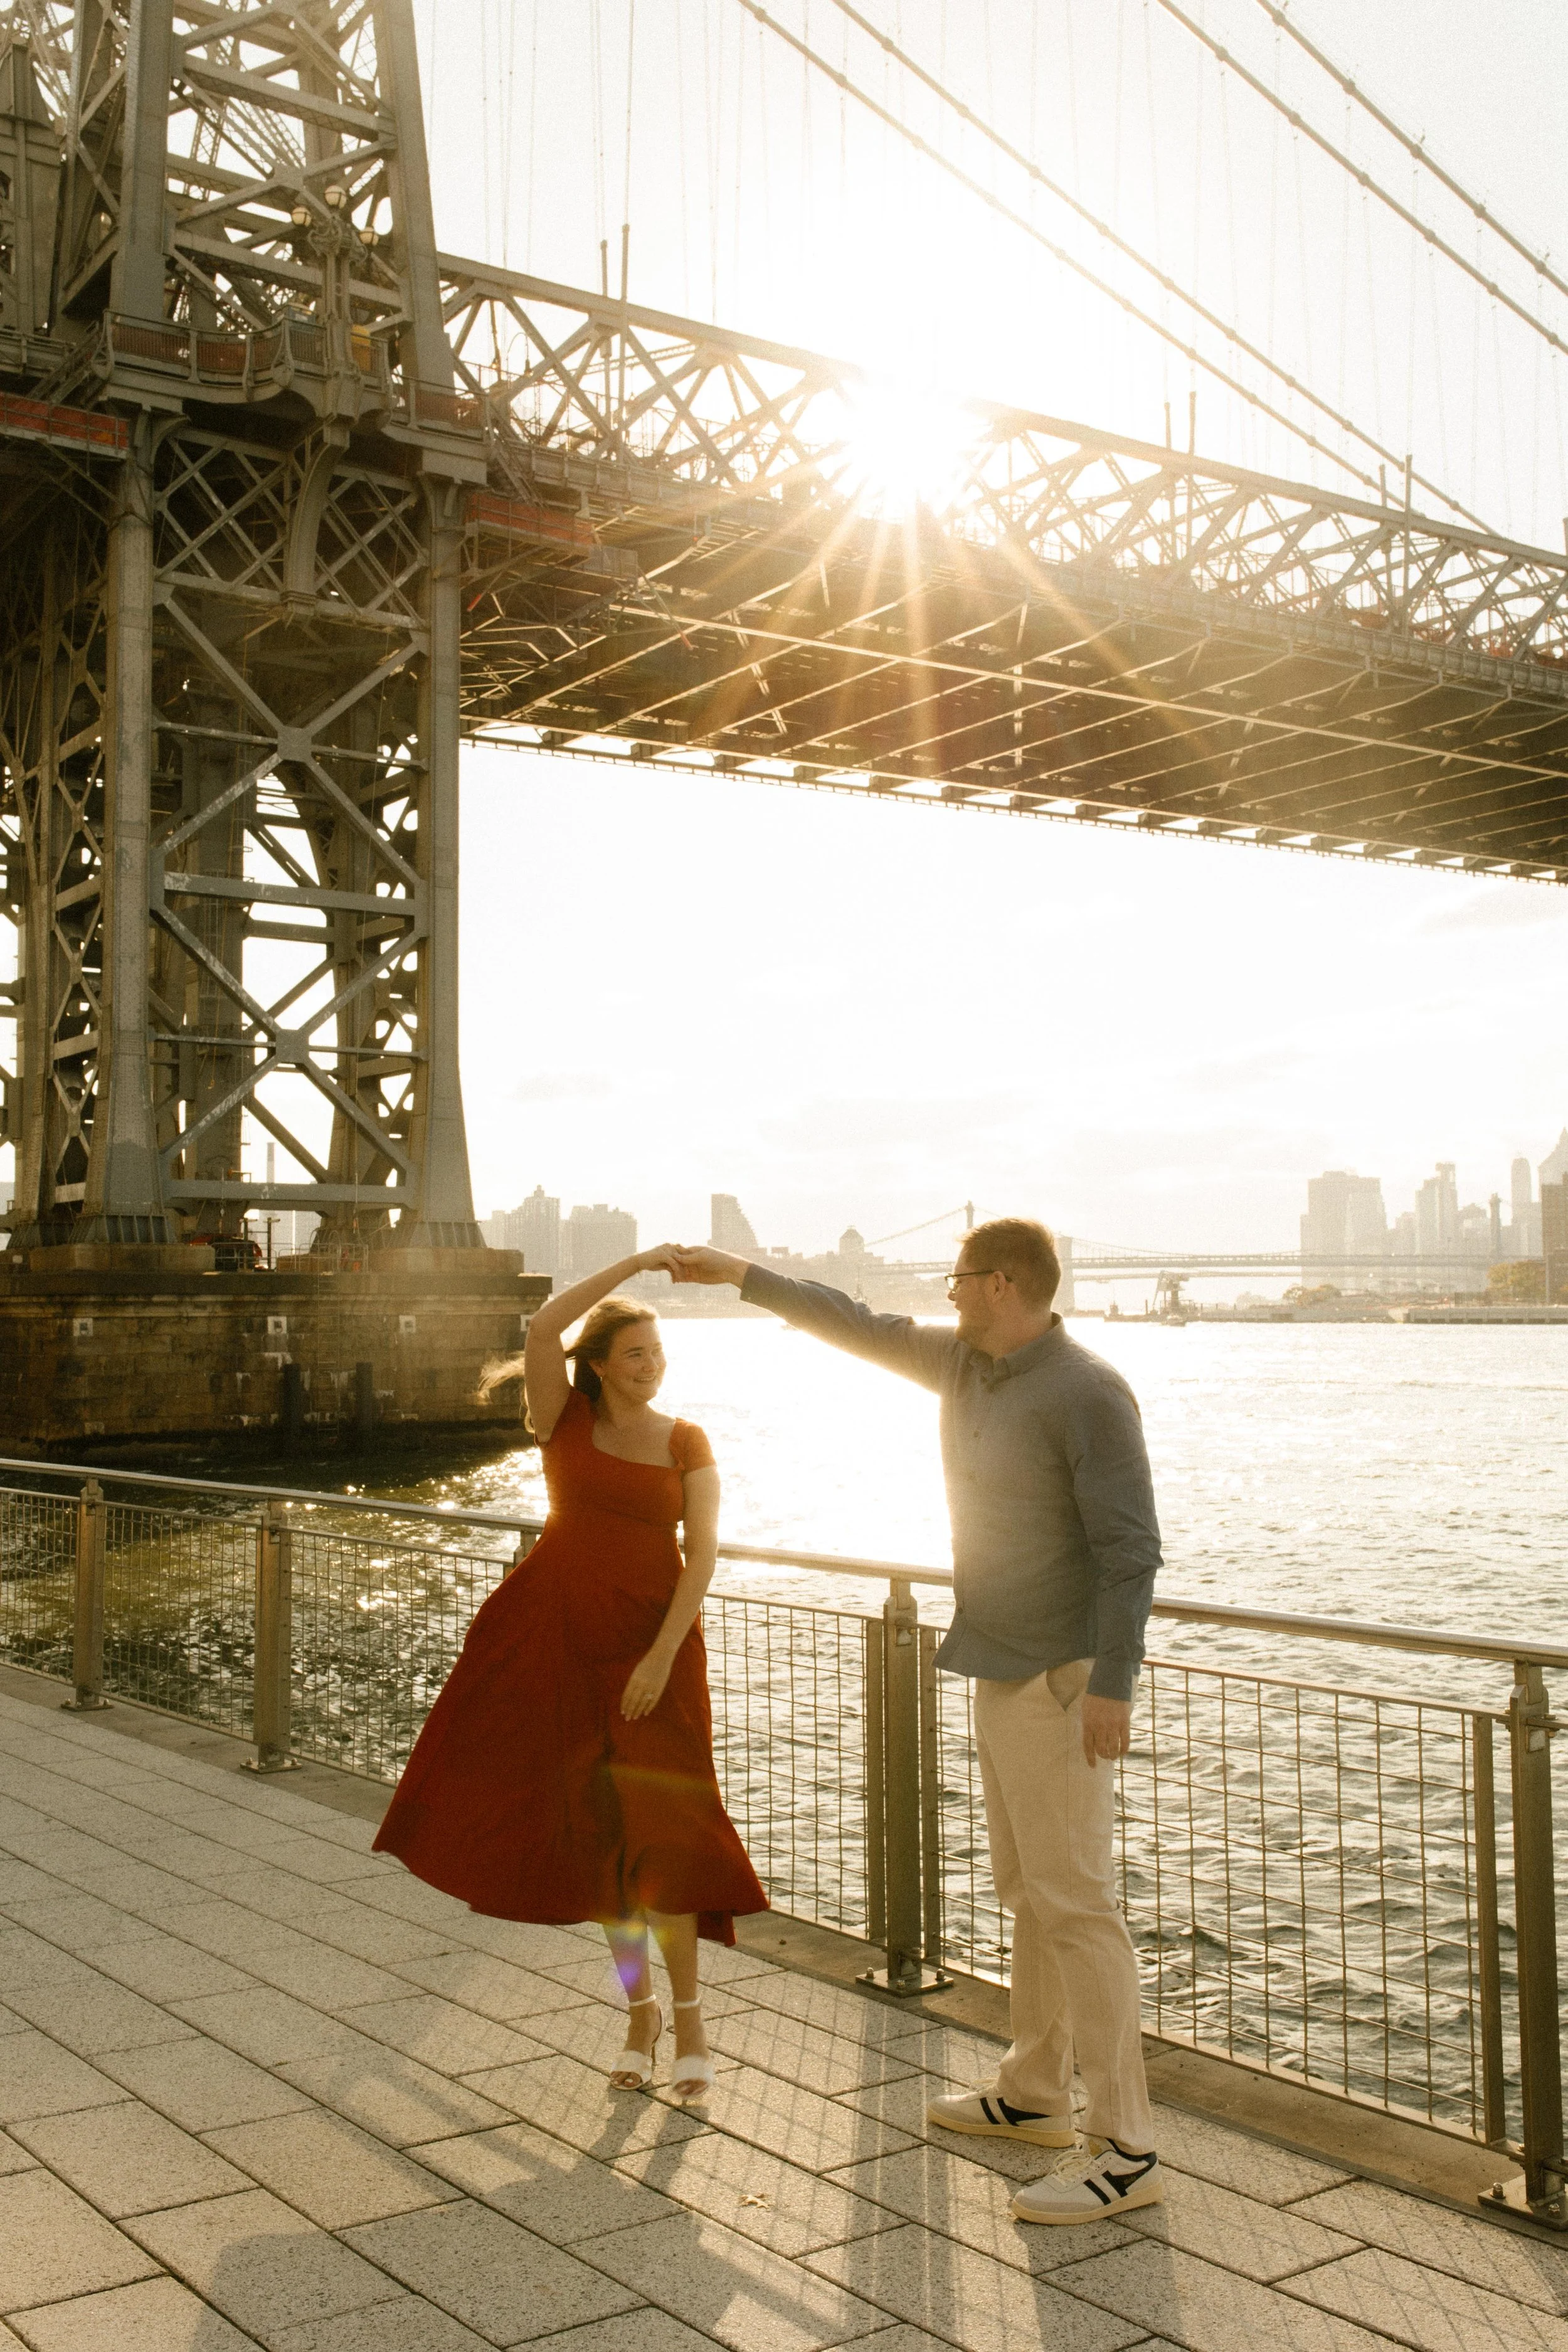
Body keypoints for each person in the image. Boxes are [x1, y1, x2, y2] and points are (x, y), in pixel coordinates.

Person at [672, 1219, 1163, 2220]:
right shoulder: (964, 1366)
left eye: (959, 1280)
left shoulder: (1089, 1391)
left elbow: (1132, 1549)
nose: (946, 1293)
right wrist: (741, 1275)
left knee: (1077, 1902)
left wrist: (1114, 1682)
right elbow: (848, 1321)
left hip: (1065, 1681)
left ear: (1005, 1284)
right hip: (998, 1661)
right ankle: (1033, 2094)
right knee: (1031, 1889)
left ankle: (1129, 2149)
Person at [373, 1246, 768, 2100]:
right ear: (600, 1364)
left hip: (652, 1650)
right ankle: (640, 2013)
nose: (652, 1366)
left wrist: (661, 1656)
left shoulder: (686, 1438)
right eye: (636, 1353)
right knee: (599, 1844)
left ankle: (691, 2019)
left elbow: (699, 1558)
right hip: (554, 1640)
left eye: (659, 1354)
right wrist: (638, 1263)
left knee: (663, 1837)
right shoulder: (564, 1418)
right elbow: (544, 1324)